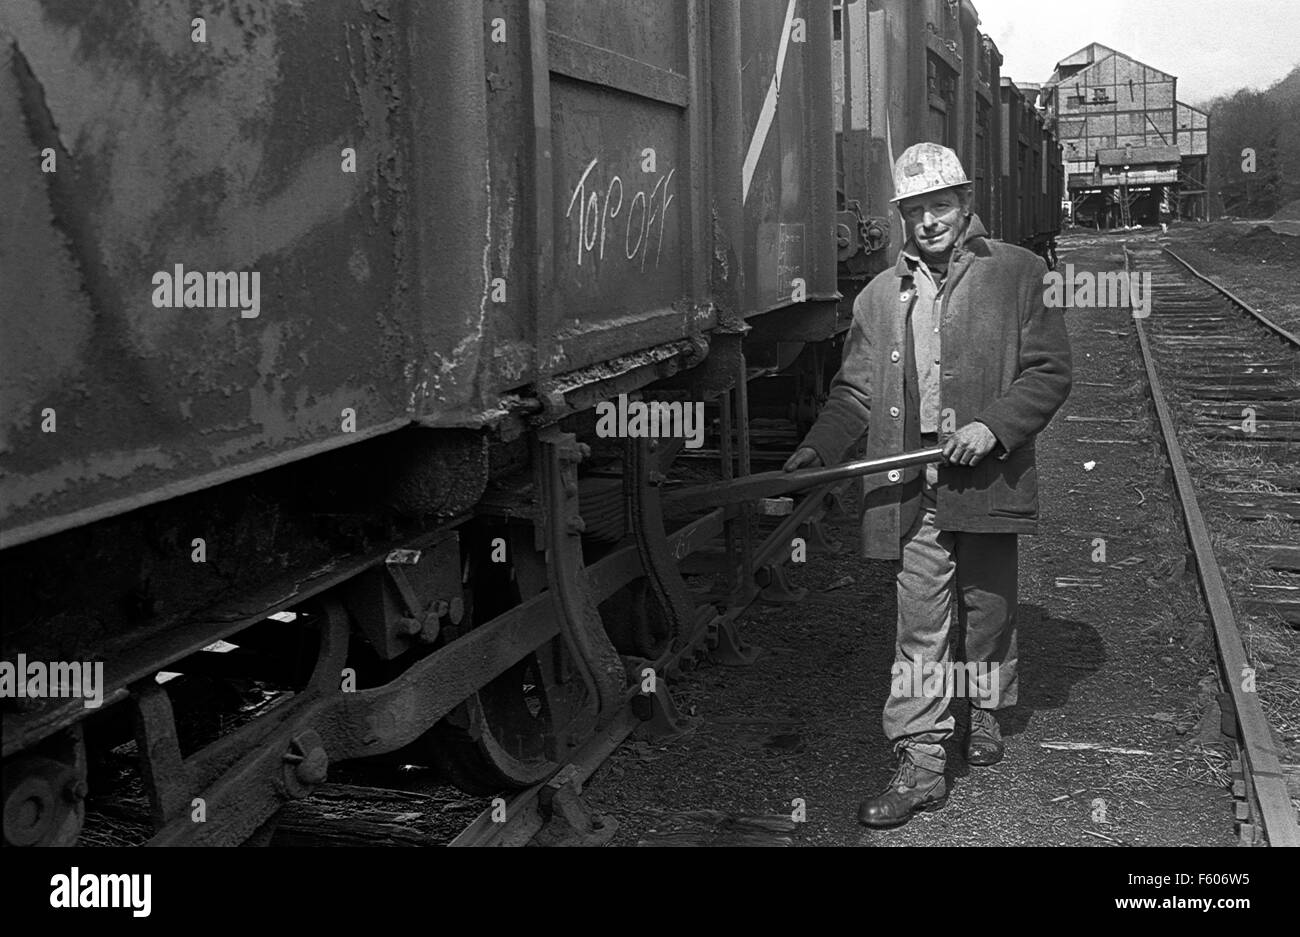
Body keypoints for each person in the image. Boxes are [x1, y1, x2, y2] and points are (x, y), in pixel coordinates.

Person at [784, 142, 1072, 828]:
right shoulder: (881, 296)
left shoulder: (1021, 274)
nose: (929, 221)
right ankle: (922, 756)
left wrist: (994, 427)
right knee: (920, 624)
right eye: (915, 210)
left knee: (989, 607)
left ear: (965, 206)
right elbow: (854, 391)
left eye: (940, 205)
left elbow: (1050, 372)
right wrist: (815, 447)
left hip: (986, 476)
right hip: (911, 486)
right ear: (904, 218)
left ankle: (989, 705)